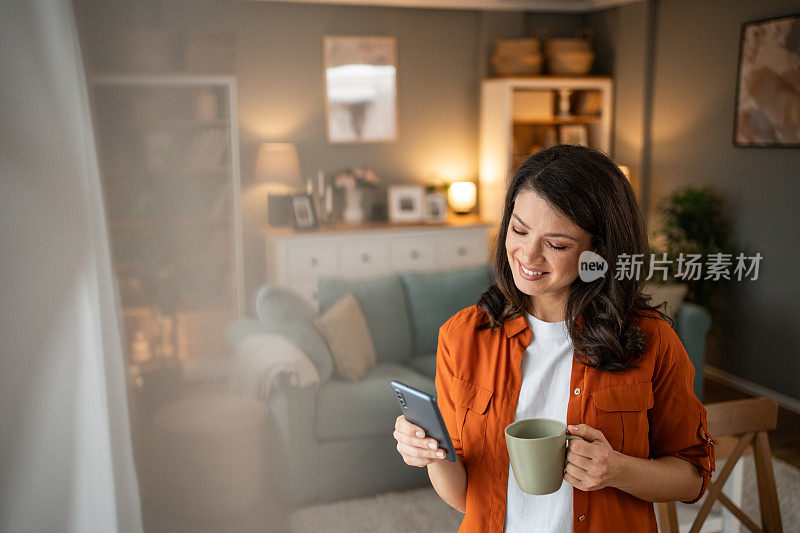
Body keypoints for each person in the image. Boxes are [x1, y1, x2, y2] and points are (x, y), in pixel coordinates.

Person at [393, 144, 715, 532]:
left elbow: (692, 476)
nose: (528, 256)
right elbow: (467, 498)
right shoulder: (463, 337)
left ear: (598, 250)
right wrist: (430, 454)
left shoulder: (650, 340)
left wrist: (615, 470)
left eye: (557, 244)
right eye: (519, 229)